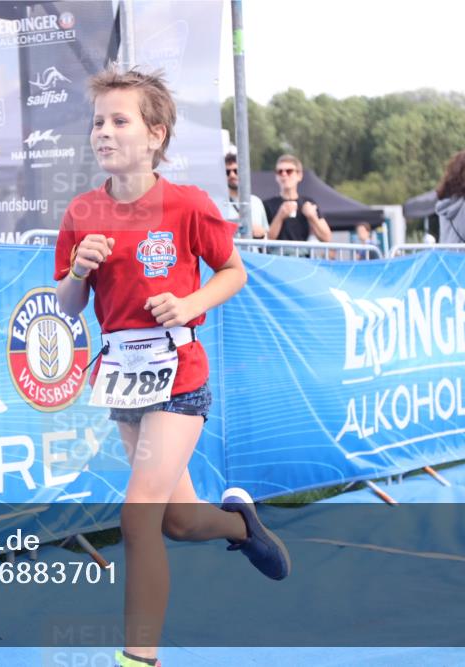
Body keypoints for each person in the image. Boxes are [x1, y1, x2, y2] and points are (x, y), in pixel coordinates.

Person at [54, 66, 290, 667]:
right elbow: (67, 307)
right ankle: (241, 525)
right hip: (124, 378)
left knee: (137, 517)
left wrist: (188, 303)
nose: (103, 132)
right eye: (98, 122)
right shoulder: (82, 211)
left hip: (180, 377)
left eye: (119, 120)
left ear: (155, 134)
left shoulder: (186, 205)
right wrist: (79, 269)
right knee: (178, 523)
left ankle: (139, 659)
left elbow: (234, 271)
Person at [263, 155, 332, 242]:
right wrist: (280, 217)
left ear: (299, 175)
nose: (284, 174)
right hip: (276, 254)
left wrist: (312, 217)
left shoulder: (309, 203)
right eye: (280, 172)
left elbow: (327, 238)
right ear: (276, 176)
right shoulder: (267, 204)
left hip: (301, 254)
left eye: (289, 171)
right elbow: (266, 239)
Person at [224, 151, 267, 238]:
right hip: (232, 251)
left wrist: (261, 233)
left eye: (236, 171)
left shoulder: (256, 202)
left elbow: (266, 236)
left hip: (254, 251)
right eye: (227, 172)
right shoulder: (219, 204)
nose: (232, 175)